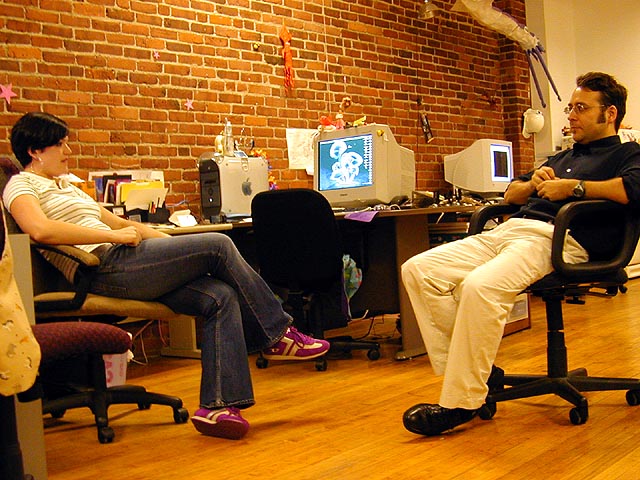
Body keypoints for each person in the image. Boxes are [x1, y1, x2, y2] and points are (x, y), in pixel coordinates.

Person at [2, 111, 331, 441]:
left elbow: (124, 224)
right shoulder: (20, 185)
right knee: (219, 244)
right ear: (34, 150)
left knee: (220, 296)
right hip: (100, 266)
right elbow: (40, 230)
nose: (68, 151)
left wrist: (177, 250)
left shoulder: (69, 187)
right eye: (60, 144)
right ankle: (277, 335)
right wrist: (116, 237)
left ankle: (218, 408)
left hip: (127, 262)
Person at [401, 72, 640, 436]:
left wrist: (574, 188)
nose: (571, 116)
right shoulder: (561, 157)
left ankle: (461, 402)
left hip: (560, 238)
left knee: (480, 286)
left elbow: (632, 189)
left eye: (580, 108)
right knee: (419, 269)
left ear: (609, 114)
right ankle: (479, 376)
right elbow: (510, 193)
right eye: (570, 107)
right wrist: (531, 185)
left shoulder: (628, 154)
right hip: (510, 231)